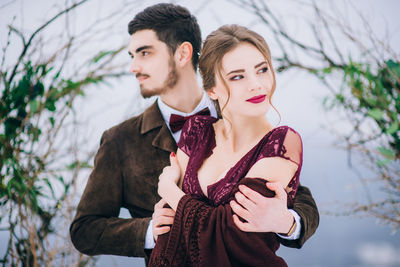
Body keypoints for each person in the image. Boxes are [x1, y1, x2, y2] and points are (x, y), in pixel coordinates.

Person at [69, 3, 318, 265]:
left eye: (144, 53)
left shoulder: (240, 111)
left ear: (182, 53)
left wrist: (290, 223)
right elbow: (84, 230)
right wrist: (149, 231)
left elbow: (296, 196)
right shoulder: (120, 140)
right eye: (132, 55)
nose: (133, 66)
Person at [149, 24, 307, 266]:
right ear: (212, 89)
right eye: (237, 76)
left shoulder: (282, 143)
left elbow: (231, 231)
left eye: (262, 70)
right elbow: (169, 226)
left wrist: (170, 189)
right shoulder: (196, 130)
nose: (256, 84)